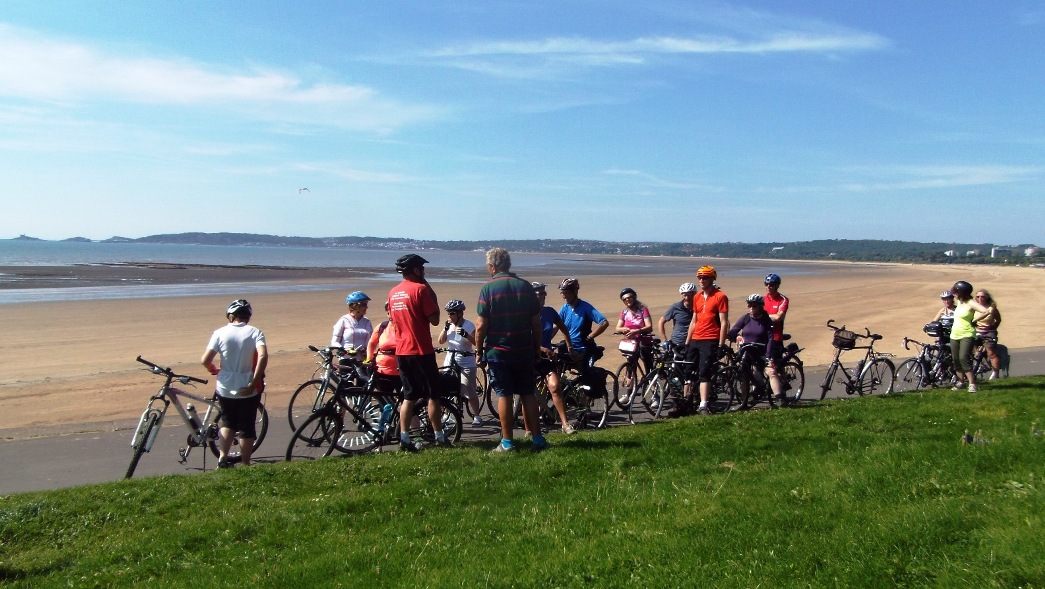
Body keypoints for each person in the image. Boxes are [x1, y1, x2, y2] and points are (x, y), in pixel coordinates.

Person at [474, 248, 547, 452]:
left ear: (493, 266)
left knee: (504, 394)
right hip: (523, 350)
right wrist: (536, 349)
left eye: (488, 265)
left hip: (498, 352)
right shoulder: (524, 287)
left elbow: (481, 326)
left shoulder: (488, 289)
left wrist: (479, 351)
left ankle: (507, 442)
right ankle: (538, 439)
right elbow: (536, 323)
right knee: (527, 393)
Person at [388, 254, 446, 451]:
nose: (424, 272)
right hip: (421, 349)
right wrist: (431, 292)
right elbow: (435, 319)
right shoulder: (421, 290)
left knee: (409, 396)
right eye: (422, 269)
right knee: (433, 395)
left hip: (401, 350)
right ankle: (439, 436)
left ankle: (404, 438)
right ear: (415, 269)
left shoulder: (393, 292)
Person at [200, 299, 267, 468]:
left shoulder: (219, 333)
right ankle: (245, 463)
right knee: (246, 425)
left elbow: (205, 360)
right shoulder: (255, 332)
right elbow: (263, 356)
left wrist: (213, 369)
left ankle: (223, 456)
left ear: (231, 316)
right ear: (248, 316)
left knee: (228, 421)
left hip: (225, 384)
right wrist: (254, 381)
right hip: (247, 384)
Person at [675, 265, 728, 416]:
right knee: (688, 372)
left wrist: (721, 344)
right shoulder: (697, 297)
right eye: (700, 277)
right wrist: (687, 342)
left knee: (704, 372)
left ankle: (703, 404)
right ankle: (686, 402)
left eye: (705, 277)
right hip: (696, 338)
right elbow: (694, 321)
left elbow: (724, 322)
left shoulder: (720, 296)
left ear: (712, 279)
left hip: (711, 338)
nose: (702, 280)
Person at [533, 281, 575, 434]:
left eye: (544, 293)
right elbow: (524, 339)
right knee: (527, 394)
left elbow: (563, 327)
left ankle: (565, 424)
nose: (542, 296)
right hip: (530, 358)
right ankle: (528, 429)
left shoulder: (550, 312)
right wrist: (543, 348)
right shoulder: (525, 315)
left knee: (555, 386)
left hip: (546, 360)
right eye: (538, 294)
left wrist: (569, 346)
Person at [725, 294, 775, 410]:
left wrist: (768, 355)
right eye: (749, 305)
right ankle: (745, 400)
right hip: (746, 350)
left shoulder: (766, 320)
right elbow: (734, 330)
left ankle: (758, 389)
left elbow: (770, 339)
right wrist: (733, 336)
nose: (751, 307)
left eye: (754, 305)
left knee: (755, 371)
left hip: (760, 350)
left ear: (761, 306)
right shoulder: (745, 318)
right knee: (743, 373)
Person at [438, 299, 483, 426]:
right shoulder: (448, 325)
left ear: (459, 313)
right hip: (451, 360)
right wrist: (445, 329)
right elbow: (441, 341)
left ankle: (477, 416)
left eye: (451, 313)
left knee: (468, 388)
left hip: (466, 361)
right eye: (448, 313)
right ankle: (447, 413)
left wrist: (465, 335)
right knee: (447, 388)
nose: (449, 316)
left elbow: (476, 343)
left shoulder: (468, 325)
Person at [948, 280, 991, 393]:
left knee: (963, 358)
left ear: (961, 292)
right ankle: (961, 382)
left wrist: (975, 320)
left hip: (967, 334)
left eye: (956, 291)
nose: (954, 293)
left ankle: (972, 384)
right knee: (956, 359)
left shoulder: (970, 303)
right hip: (954, 334)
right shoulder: (959, 303)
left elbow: (985, 311)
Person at [557, 277, 609, 370]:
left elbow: (604, 323)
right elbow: (556, 326)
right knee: (556, 368)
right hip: (569, 347)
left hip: (583, 348)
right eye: (562, 293)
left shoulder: (585, 307)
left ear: (575, 292)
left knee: (585, 375)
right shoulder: (565, 308)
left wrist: (590, 336)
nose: (564, 296)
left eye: (567, 293)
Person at [615, 287, 654, 402]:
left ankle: (655, 395)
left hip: (643, 341)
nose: (627, 300)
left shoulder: (643, 310)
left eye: (629, 298)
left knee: (648, 368)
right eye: (625, 299)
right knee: (630, 368)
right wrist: (624, 329)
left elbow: (649, 326)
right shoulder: (624, 312)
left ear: (634, 297)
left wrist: (637, 331)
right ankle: (628, 394)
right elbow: (618, 327)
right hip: (631, 343)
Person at [762, 273, 789, 402]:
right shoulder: (762, 299)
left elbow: (779, 317)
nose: (768, 287)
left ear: (777, 285)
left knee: (776, 366)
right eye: (766, 284)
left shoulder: (783, 300)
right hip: (762, 336)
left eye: (771, 285)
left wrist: (764, 316)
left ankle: (782, 388)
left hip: (776, 337)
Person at [366, 301, 401, 392]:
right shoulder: (382, 327)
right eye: (388, 309)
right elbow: (372, 343)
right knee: (385, 400)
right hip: (381, 371)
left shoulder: (406, 326)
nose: (390, 312)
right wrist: (369, 358)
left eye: (393, 309)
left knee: (405, 400)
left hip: (402, 371)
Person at [331, 291, 373, 361]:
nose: (367, 307)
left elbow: (372, 341)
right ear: (355, 306)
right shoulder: (344, 320)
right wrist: (345, 351)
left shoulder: (367, 322)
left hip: (363, 360)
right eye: (364, 304)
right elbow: (334, 342)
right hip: (347, 359)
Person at [974, 289, 1003, 380]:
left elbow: (998, 320)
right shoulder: (974, 308)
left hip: (988, 332)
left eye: (982, 296)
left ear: (986, 297)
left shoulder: (991, 308)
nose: (980, 298)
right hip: (977, 331)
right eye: (978, 297)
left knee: (991, 353)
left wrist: (993, 328)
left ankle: (995, 374)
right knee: (974, 352)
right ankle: (979, 367)